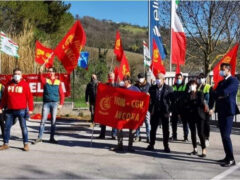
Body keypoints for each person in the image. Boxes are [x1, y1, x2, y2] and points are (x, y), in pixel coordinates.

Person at [209, 63, 239, 167]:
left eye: (223, 70)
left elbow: (226, 92)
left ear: (228, 70)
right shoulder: (221, 82)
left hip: (228, 111)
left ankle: (231, 159)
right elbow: (215, 93)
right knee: (223, 135)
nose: (221, 72)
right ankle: (227, 156)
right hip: (221, 110)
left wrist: (219, 94)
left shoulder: (234, 81)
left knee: (226, 135)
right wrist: (216, 93)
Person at [0, 68, 33, 151]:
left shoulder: (25, 84)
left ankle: (26, 144)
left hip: (22, 110)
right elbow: (4, 98)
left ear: (21, 75)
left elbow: (30, 98)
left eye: (18, 74)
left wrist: (30, 109)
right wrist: (0, 107)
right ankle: (5, 144)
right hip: (9, 110)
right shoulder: (8, 84)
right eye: (15, 74)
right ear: (13, 75)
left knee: (23, 127)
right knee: (7, 127)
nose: (17, 75)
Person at [33, 65, 65, 144]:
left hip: (55, 104)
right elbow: (40, 78)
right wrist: (40, 71)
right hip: (46, 104)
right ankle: (39, 138)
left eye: (51, 71)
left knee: (53, 122)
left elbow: (62, 94)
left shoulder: (58, 82)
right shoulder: (46, 80)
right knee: (43, 121)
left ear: (54, 73)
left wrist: (61, 104)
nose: (49, 73)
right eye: (48, 71)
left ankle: (52, 138)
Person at [112, 75, 140, 152]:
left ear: (129, 81)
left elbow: (141, 99)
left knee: (132, 130)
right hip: (122, 113)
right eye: (123, 80)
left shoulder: (135, 89)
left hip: (132, 113)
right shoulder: (121, 88)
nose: (123, 81)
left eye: (125, 80)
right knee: (119, 128)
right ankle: (120, 145)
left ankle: (130, 146)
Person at [146, 73, 173, 153]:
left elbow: (172, 101)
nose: (157, 80)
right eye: (156, 78)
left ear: (163, 80)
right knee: (153, 129)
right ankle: (151, 144)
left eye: (159, 78)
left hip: (165, 111)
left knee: (165, 129)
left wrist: (169, 111)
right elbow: (148, 101)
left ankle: (166, 145)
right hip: (155, 111)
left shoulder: (169, 88)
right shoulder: (152, 88)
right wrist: (150, 110)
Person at [181, 80, 207, 157]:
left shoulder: (200, 93)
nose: (191, 86)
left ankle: (204, 149)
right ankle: (195, 149)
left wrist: (191, 103)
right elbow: (185, 104)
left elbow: (200, 103)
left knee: (200, 133)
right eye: (190, 85)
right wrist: (191, 102)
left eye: (193, 84)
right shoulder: (187, 94)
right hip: (191, 115)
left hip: (199, 115)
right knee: (193, 133)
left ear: (196, 85)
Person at [98, 72, 117, 139]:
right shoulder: (105, 85)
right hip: (107, 105)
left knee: (114, 121)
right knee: (104, 120)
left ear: (114, 77)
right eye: (109, 76)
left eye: (111, 76)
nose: (110, 78)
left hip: (114, 105)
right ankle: (102, 135)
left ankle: (114, 134)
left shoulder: (117, 85)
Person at [170, 73, 189, 141]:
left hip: (182, 107)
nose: (178, 79)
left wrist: (179, 99)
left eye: (179, 78)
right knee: (174, 122)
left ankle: (185, 137)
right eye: (177, 78)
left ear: (182, 78)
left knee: (185, 122)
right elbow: (171, 96)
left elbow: (186, 96)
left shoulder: (185, 86)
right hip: (174, 107)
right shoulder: (173, 86)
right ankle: (174, 136)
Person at [135, 72, 151, 143]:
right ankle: (137, 136)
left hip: (146, 107)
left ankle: (148, 136)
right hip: (137, 107)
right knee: (137, 122)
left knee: (147, 122)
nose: (140, 79)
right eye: (139, 78)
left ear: (144, 78)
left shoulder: (148, 86)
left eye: (141, 78)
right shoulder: (136, 85)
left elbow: (151, 95)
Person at [197, 73, 212, 147]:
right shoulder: (197, 87)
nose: (200, 80)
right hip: (199, 109)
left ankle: (207, 138)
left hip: (206, 108)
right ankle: (201, 138)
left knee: (206, 124)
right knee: (200, 124)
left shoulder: (208, 87)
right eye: (199, 78)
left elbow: (209, 98)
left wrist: (210, 108)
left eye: (201, 78)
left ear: (204, 79)